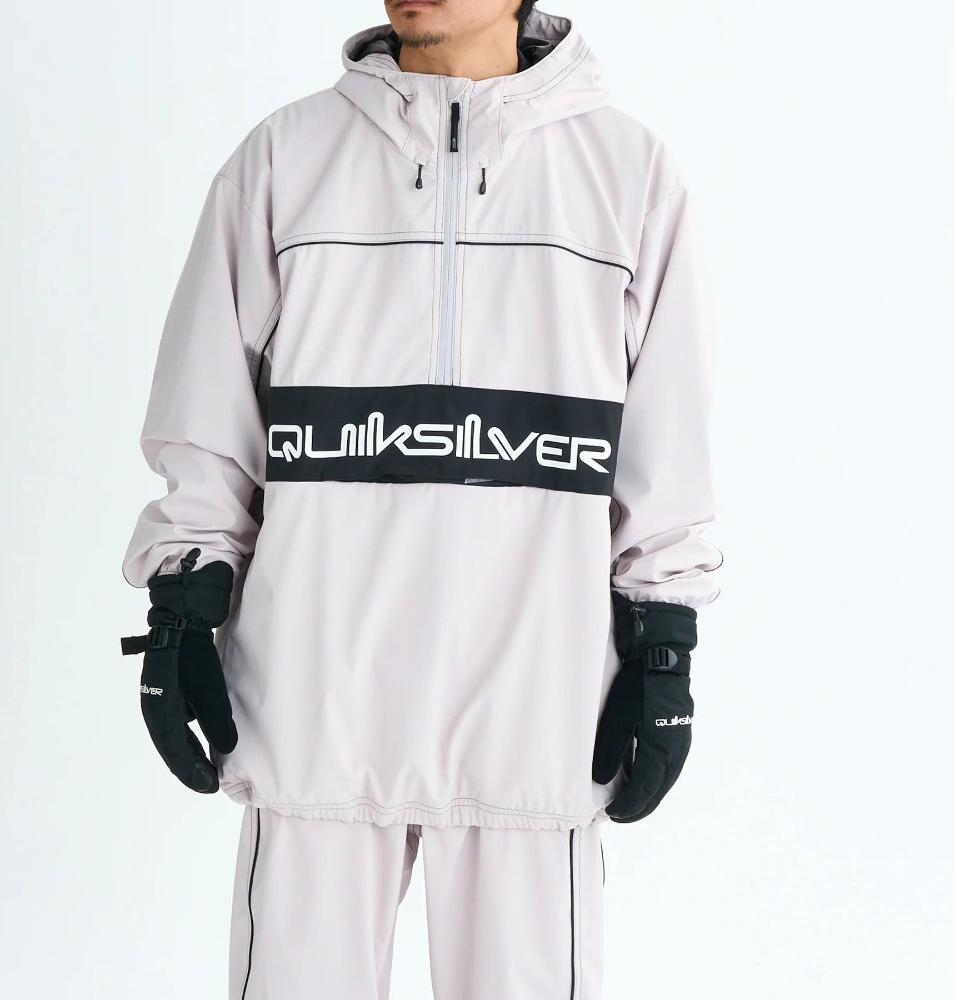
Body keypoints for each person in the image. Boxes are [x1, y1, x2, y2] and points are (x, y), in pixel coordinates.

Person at [119, 2, 723, 997]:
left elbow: (668, 444)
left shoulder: (628, 175)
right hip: (315, 707)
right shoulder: (285, 159)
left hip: (536, 714)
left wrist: (663, 644)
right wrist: (183, 604)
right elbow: (205, 413)